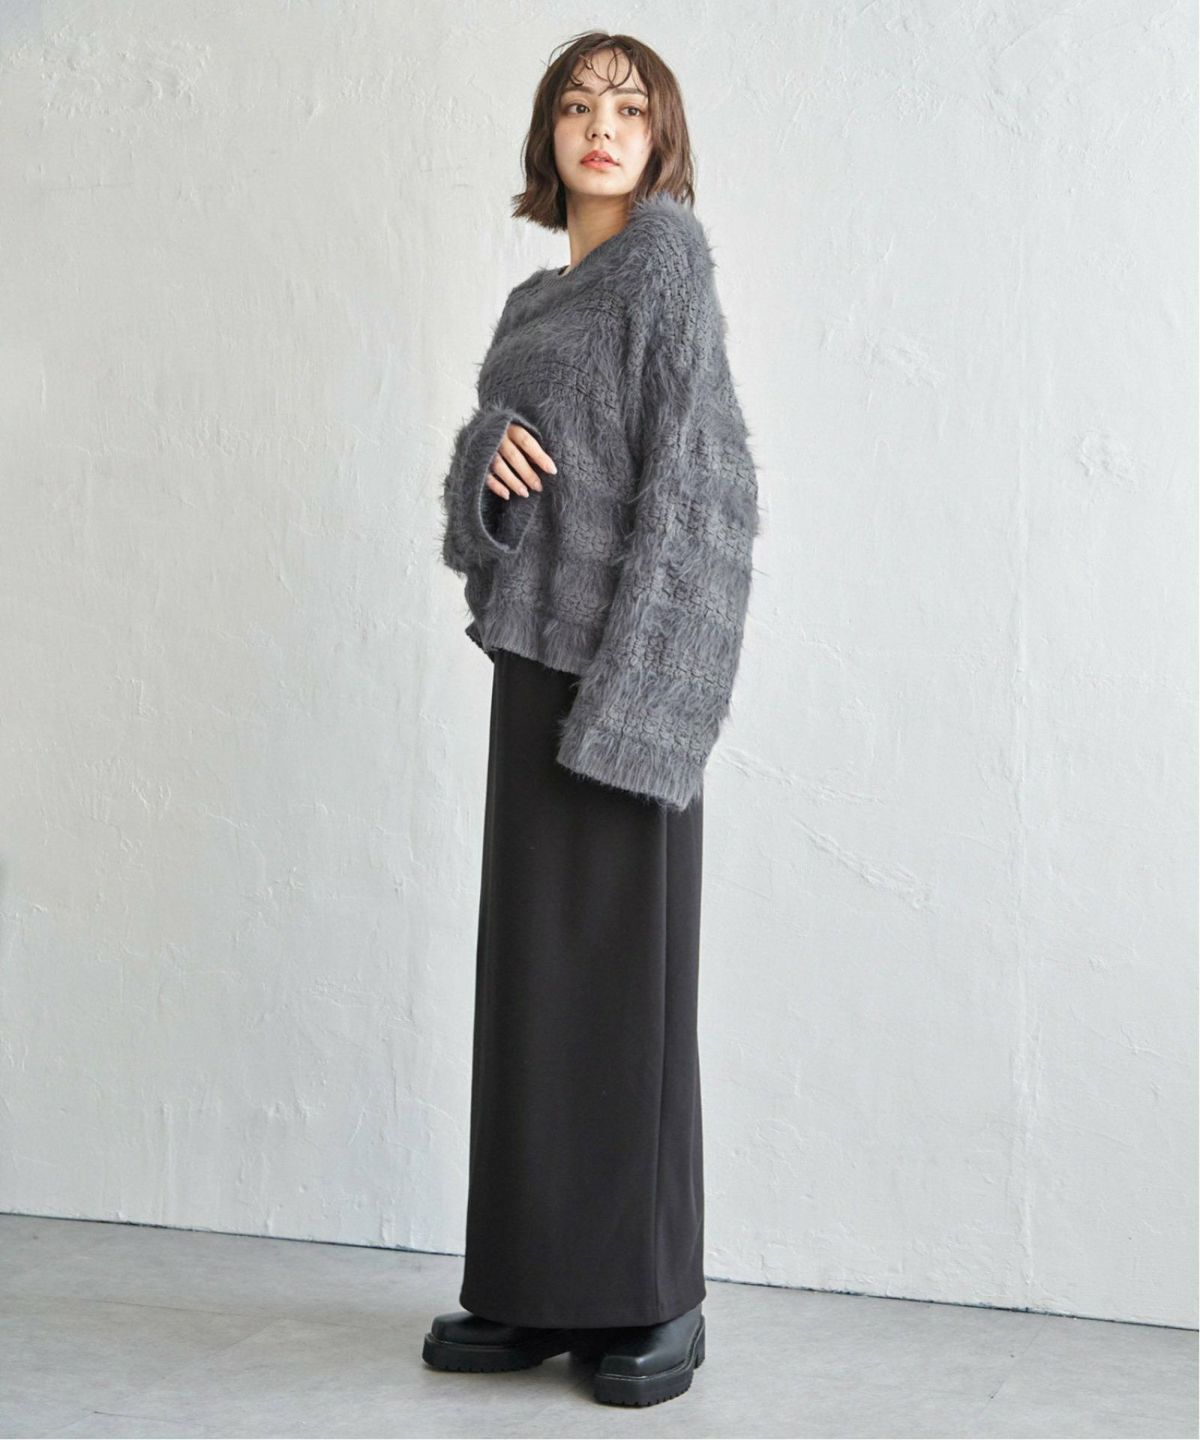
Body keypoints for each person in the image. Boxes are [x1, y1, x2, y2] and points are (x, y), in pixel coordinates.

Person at [422, 30, 760, 1409]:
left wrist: (650, 697)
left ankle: (653, 1297)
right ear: (547, 138)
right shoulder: (529, 304)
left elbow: (705, 484)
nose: (599, 125)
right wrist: (481, 467)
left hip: (628, 679)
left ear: (659, 133)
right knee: (533, 989)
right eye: (575, 105)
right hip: (533, 669)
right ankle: (530, 1286)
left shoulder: (667, 266)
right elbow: (488, 533)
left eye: (627, 105)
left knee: (627, 999)